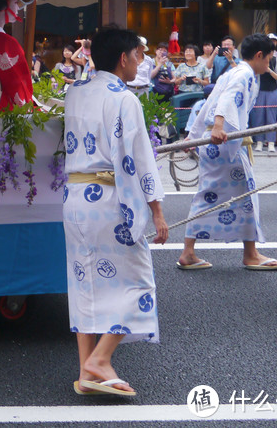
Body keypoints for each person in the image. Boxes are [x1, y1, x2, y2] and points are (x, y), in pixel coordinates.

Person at [62, 26, 168, 398]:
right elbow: (140, 159)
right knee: (138, 281)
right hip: (108, 199)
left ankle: (86, 371)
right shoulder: (125, 99)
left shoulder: (75, 91)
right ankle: (101, 360)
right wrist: (155, 210)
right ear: (123, 59)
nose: (141, 62)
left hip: (75, 199)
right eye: (138, 55)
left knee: (84, 284)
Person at [177, 33, 277, 271]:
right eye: (268, 58)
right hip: (222, 141)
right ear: (259, 55)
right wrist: (216, 126)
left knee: (213, 193)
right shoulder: (244, 73)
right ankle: (250, 253)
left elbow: (210, 101)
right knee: (241, 193)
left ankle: (191, 251)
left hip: (218, 139)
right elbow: (225, 100)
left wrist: (194, 136)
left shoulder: (237, 71)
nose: (269, 63)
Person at [250, 34, 277, 153]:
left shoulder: (276, 61)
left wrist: (269, 70)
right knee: (259, 116)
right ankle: (259, 142)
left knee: (271, 116)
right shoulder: (258, 60)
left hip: (272, 91)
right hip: (259, 91)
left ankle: (271, 142)